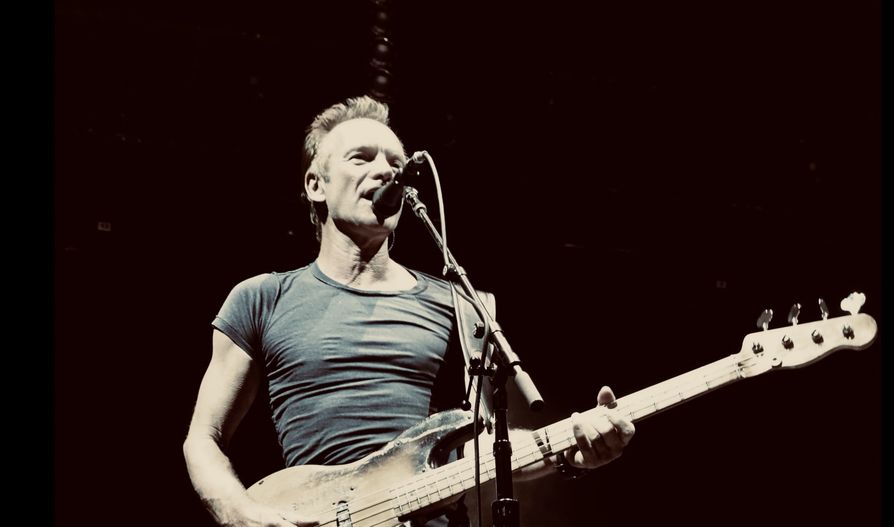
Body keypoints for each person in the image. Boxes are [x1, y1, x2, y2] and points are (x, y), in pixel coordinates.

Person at [182, 95, 636, 527]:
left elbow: (481, 450)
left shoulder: (460, 305)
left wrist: (568, 451)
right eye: (361, 158)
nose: (385, 171)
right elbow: (204, 438)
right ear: (315, 185)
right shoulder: (262, 298)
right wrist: (238, 512)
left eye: (395, 163)